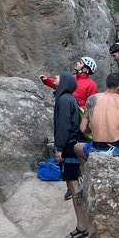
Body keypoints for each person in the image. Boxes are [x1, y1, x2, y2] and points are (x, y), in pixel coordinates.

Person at [41, 57, 99, 201]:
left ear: (86, 68)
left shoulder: (90, 85)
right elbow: (59, 85)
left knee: (72, 164)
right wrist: (46, 80)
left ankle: (77, 192)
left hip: (76, 119)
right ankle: (72, 188)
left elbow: (91, 103)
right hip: (73, 113)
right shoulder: (72, 80)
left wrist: (59, 147)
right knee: (71, 168)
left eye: (81, 62)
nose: (77, 63)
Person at [51, 72, 88, 238]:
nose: (55, 78)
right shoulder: (69, 98)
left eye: (58, 77)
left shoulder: (64, 100)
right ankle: (85, 223)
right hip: (73, 145)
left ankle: (82, 226)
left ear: (64, 82)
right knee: (75, 186)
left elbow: (64, 126)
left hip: (69, 148)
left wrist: (59, 149)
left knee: (74, 188)